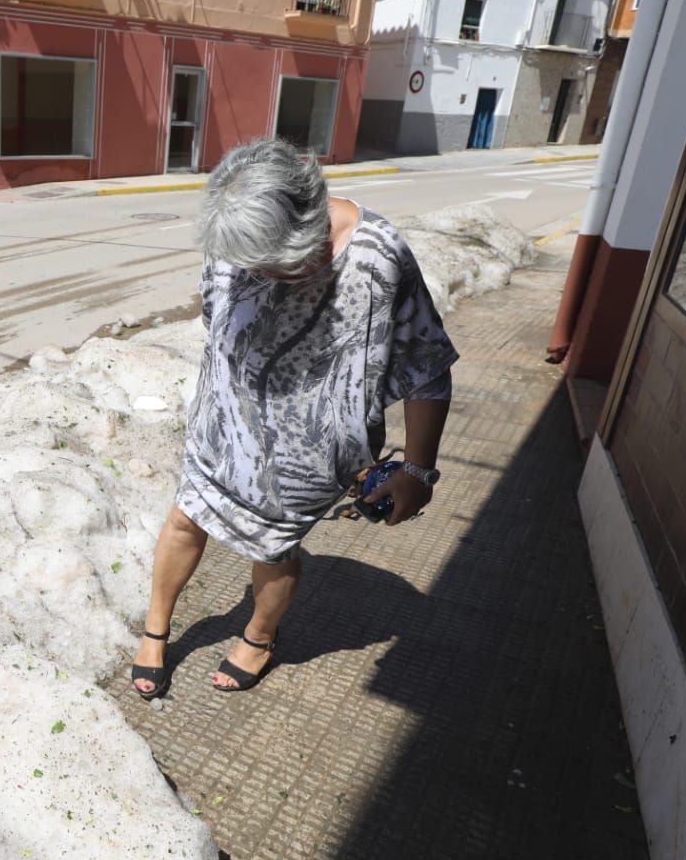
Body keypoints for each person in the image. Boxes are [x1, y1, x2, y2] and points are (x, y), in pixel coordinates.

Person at [131, 138, 458, 698]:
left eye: (277, 265)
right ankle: (155, 629)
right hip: (221, 428)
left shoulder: (378, 258)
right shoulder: (236, 233)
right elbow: (216, 317)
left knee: (273, 549)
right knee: (185, 518)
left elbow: (427, 367)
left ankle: (259, 637)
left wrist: (419, 471)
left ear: (310, 224)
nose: (260, 273)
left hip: (307, 459)